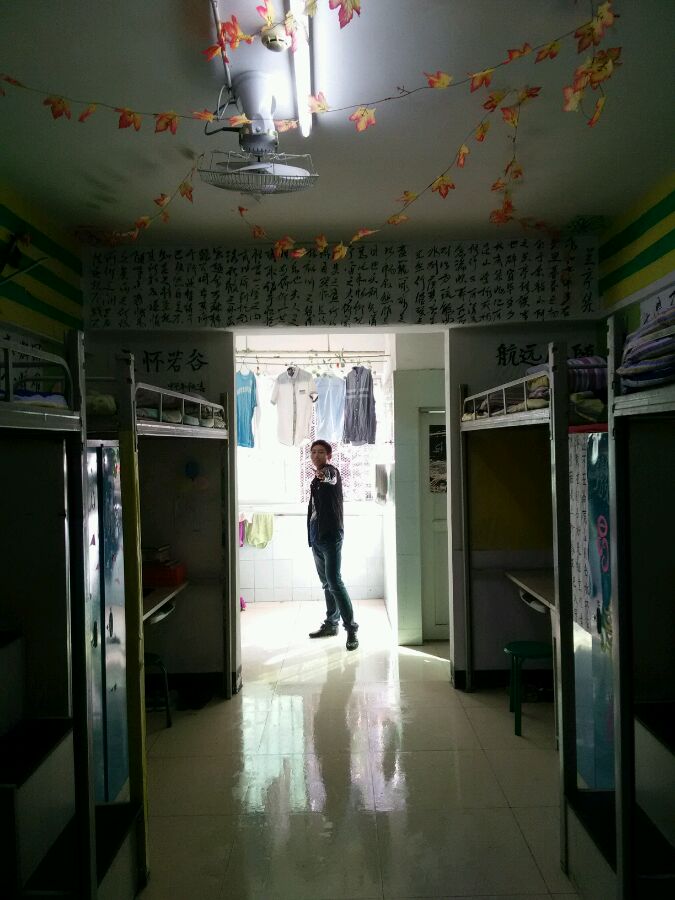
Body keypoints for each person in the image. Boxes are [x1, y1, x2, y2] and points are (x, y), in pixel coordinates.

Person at [307, 439, 359, 650]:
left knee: (334, 582)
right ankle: (331, 624)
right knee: (327, 583)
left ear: (328, 456)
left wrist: (324, 475)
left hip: (331, 536)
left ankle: (351, 629)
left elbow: (330, 477)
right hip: (316, 536)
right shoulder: (315, 479)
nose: (316, 455)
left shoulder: (331, 472)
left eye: (321, 452)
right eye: (313, 452)